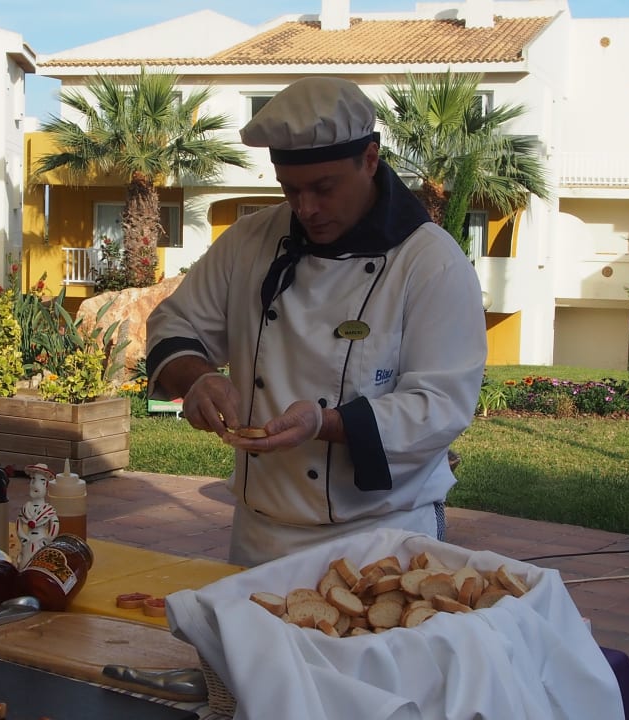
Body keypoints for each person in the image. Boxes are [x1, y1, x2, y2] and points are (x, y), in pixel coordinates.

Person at [145, 77, 487, 567]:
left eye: (324, 188)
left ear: (370, 160)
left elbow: (440, 407)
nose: (305, 208)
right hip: (261, 533)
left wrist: (325, 423)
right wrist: (198, 379)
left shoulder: (430, 261)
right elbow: (174, 323)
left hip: (384, 537)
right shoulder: (250, 241)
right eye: (291, 190)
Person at [16, 463, 61, 568]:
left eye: (41, 481)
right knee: (24, 564)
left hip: (41, 541)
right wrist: (23, 538)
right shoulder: (26, 509)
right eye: (33, 480)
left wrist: (47, 540)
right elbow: (19, 523)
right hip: (28, 541)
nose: (36, 484)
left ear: (46, 485)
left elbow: (54, 524)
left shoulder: (48, 510)